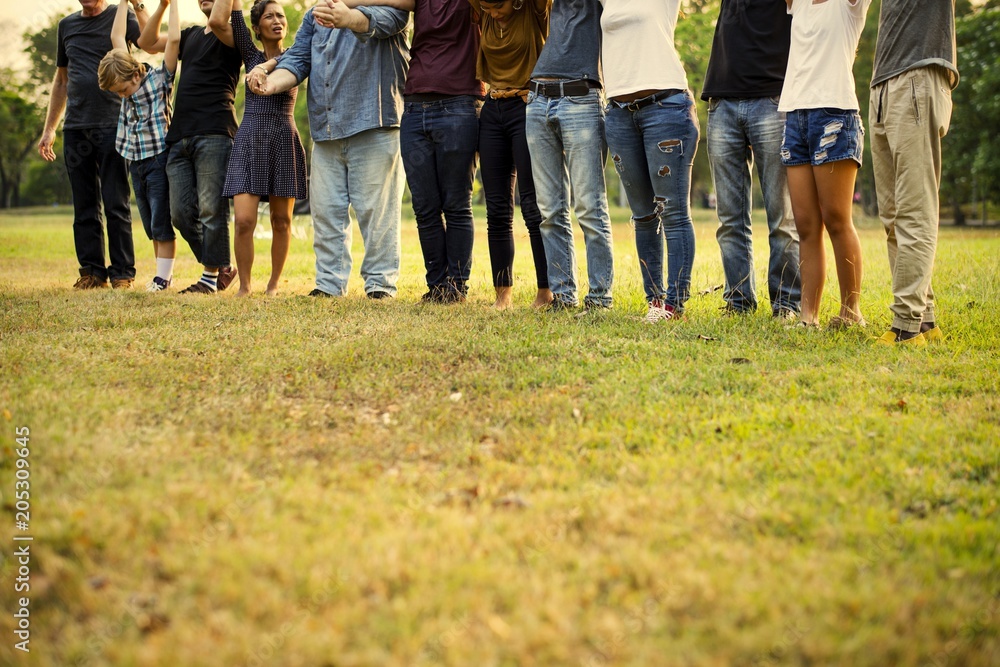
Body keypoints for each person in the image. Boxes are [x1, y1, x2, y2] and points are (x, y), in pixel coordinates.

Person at [249, 0, 410, 299]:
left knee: (377, 215)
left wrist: (347, 17)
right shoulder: (314, 15)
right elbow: (297, 59)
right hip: (327, 130)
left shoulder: (388, 4)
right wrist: (270, 84)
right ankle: (329, 284)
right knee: (325, 213)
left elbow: (379, 24)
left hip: (374, 123)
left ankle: (380, 286)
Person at [38, 0, 151, 290]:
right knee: (84, 205)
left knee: (116, 201)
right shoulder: (67, 26)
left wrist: (139, 4)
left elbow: (149, 40)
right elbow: (61, 80)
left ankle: (123, 273)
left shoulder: (120, 14)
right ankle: (92, 272)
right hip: (76, 126)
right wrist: (50, 128)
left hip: (114, 123)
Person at [601, 0, 699, 323]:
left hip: (665, 109)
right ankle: (655, 304)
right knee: (643, 216)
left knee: (671, 212)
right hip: (619, 114)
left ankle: (675, 304)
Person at [702, 0, 801, 319]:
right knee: (730, 218)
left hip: (773, 99)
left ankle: (786, 303)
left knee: (782, 216)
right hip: (723, 100)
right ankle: (738, 301)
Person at [138, 0, 242, 295]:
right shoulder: (190, 34)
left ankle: (209, 279)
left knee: (211, 208)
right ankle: (221, 266)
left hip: (215, 132)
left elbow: (221, 18)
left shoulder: (234, 33)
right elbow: (147, 41)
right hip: (179, 135)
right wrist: (153, 6)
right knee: (180, 214)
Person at [870, 0, 958, 346]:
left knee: (913, 207)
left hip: (917, 76)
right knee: (892, 213)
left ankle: (905, 325)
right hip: (883, 82)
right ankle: (925, 320)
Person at [779, 0, 871, 329]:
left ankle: (851, 312)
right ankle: (809, 317)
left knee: (836, 218)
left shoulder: (849, 5)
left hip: (834, 114)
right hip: (795, 115)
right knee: (805, 225)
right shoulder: (799, 4)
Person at [207, 0, 307, 297]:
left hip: (283, 137)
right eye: (269, 17)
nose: (277, 20)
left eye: (280, 16)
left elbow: (291, 61)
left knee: (281, 220)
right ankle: (246, 286)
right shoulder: (249, 53)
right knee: (244, 221)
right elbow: (225, 18)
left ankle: (274, 284)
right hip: (250, 138)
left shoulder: (295, 55)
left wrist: (269, 64)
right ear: (257, 27)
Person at [525, 0, 614, 313]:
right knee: (549, 209)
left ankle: (600, 298)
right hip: (537, 98)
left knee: (589, 206)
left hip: (582, 98)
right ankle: (563, 296)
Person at [470, 0, 552, 310]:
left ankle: (546, 291)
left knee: (532, 206)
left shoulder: (533, 10)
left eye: (497, 6)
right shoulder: (486, 13)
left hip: (526, 107)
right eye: (486, 8)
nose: (492, 13)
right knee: (497, 210)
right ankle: (502, 294)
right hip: (492, 110)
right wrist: (489, 9)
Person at [401, 0, 485, 304]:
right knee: (424, 206)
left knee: (456, 203)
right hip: (413, 109)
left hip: (459, 106)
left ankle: (457, 286)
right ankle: (436, 285)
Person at [98, 0, 178, 292]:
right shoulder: (124, 78)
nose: (121, 96)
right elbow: (116, 38)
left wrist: (169, 6)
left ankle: (163, 278)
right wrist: (124, 3)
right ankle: (163, 276)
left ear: (135, 74)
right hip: (136, 160)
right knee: (148, 224)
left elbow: (175, 41)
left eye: (122, 90)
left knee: (161, 221)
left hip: (159, 158)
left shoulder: (159, 80)